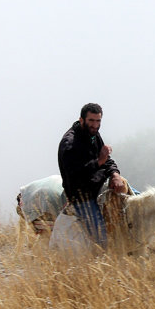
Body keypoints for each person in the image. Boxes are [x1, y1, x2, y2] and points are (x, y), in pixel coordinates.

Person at [57, 103, 126, 249]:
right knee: (101, 239)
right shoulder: (69, 143)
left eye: (98, 121)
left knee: (135, 199)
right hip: (82, 195)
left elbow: (107, 161)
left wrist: (115, 174)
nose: (95, 125)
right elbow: (75, 176)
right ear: (81, 120)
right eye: (91, 121)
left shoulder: (94, 135)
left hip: (99, 185)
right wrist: (99, 161)